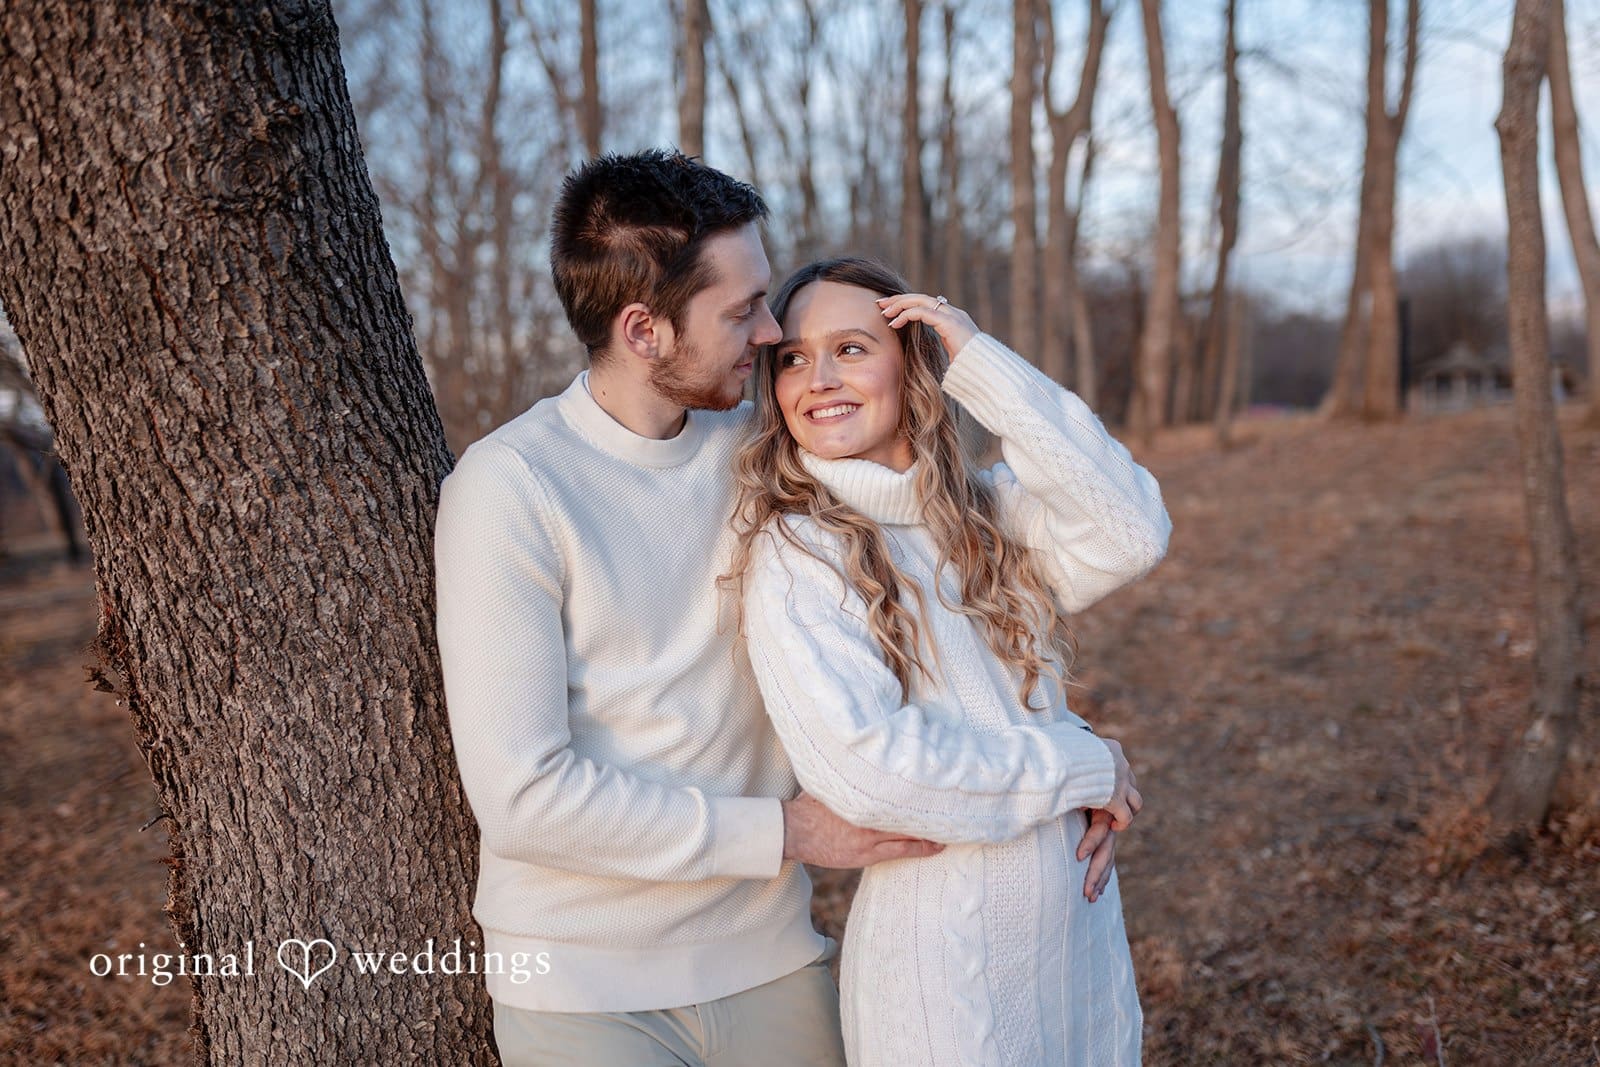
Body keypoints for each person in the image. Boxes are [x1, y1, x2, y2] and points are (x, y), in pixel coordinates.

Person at [433, 152, 946, 1066]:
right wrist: (786, 830)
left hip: (769, 960)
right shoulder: (511, 487)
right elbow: (522, 797)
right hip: (583, 987)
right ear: (645, 330)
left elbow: (940, 563)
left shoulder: (759, 456)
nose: (772, 330)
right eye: (742, 308)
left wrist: (1069, 751)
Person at [726, 257, 1171, 1066]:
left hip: (1078, 959)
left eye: (852, 348)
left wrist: (980, 363)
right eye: (791, 356)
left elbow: (1131, 530)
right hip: (946, 996)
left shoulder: (982, 512)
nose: (817, 378)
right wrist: (1080, 764)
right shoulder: (801, 550)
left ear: (912, 363)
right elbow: (870, 772)